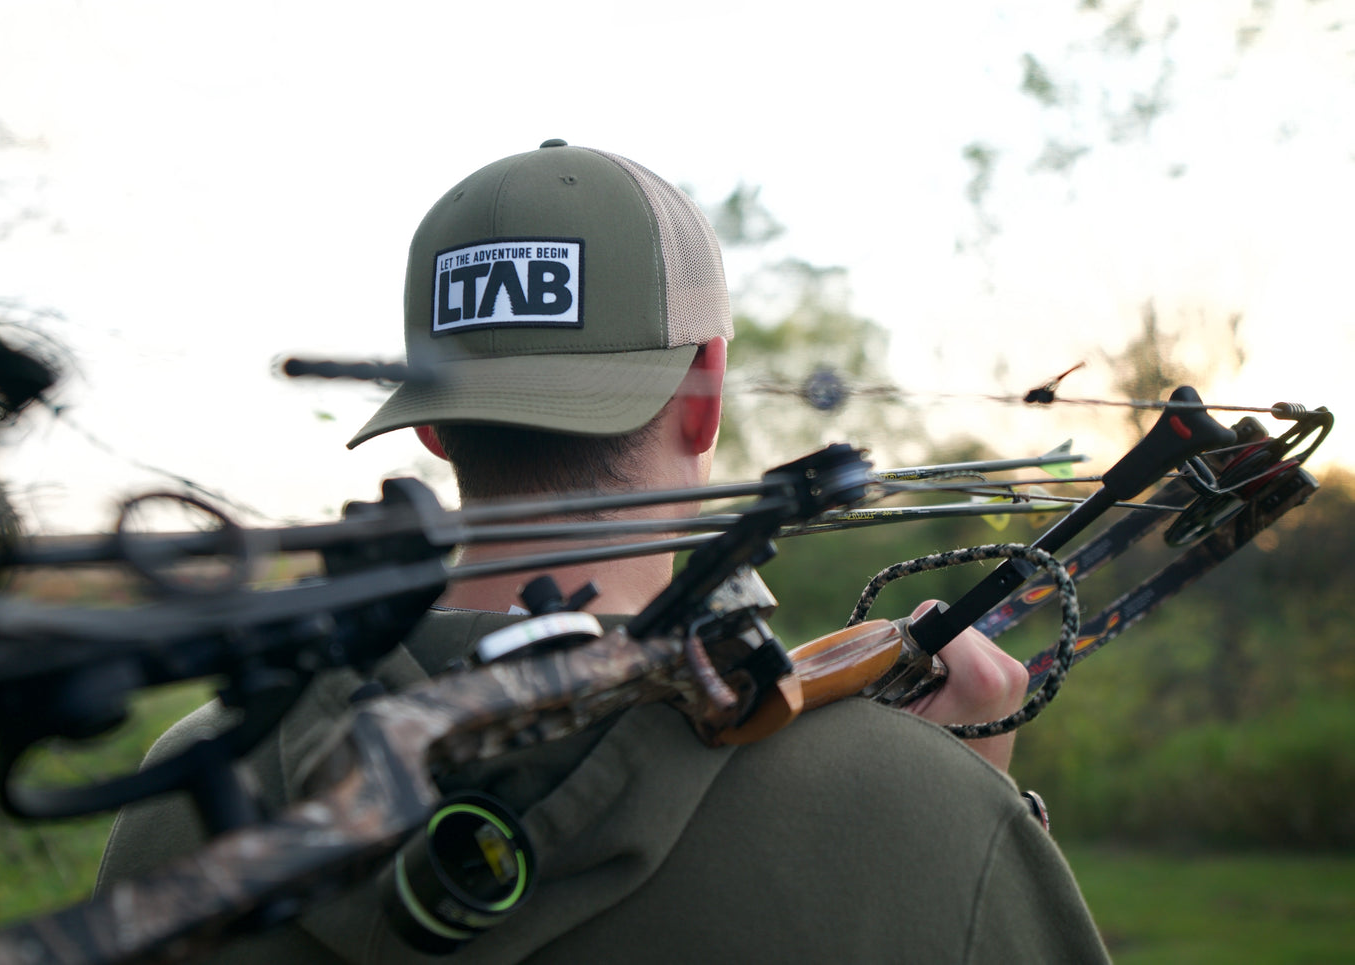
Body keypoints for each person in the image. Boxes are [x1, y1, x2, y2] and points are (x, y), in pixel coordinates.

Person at [98, 140, 1111, 963]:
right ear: (706, 391)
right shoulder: (920, 812)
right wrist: (972, 815)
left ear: (434, 425)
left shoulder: (182, 792)